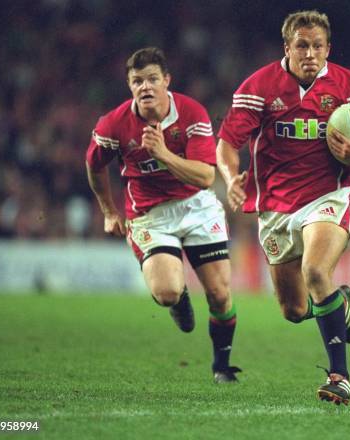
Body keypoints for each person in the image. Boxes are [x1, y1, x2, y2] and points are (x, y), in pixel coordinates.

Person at [216, 11, 350, 404]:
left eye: (317, 46)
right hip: (275, 207)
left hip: (329, 196)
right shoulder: (259, 87)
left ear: (328, 48)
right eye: (302, 45)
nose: (310, 53)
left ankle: (340, 376)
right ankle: (340, 302)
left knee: (316, 270)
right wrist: (231, 178)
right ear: (287, 48)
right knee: (294, 309)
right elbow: (227, 143)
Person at [86, 47, 241, 383]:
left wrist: (163, 153)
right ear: (130, 86)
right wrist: (109, 211)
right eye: (137, 81)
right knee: (166, 292)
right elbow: (94, 165)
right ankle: (179, 297)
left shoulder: (191, 113)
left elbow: (204, 177)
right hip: (149, 214)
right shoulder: (113, 124)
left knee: (219, 293)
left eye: (152, 79)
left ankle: (221, 366)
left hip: (196, 207)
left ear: (166, 81)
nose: (145, 87)